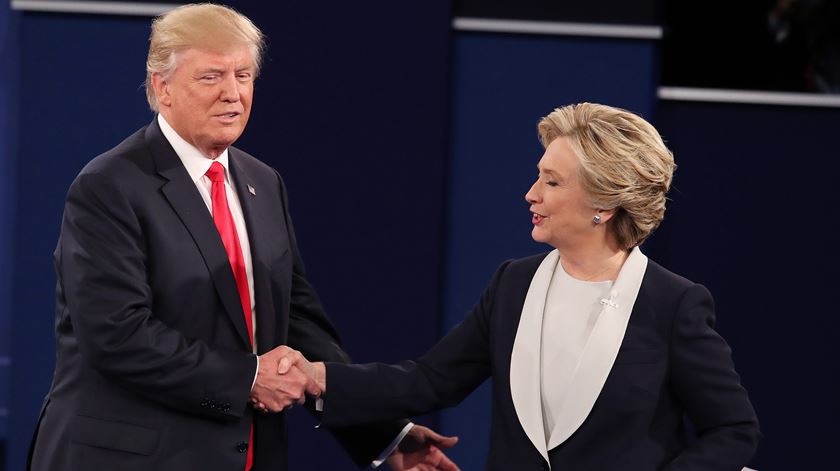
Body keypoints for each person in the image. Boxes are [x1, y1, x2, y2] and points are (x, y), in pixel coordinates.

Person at [26, 4, 457, 471]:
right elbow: (116, 335)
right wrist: (249, 379)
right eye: (211, 77)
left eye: (244, 76)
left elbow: (296, 324)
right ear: (162, 87)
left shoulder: (263, 182)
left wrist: (381, 433)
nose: (233, 94)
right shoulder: (110, 186)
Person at [279, 103, 762, 470]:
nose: (531, 194)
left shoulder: (672, 303)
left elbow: (733, 429)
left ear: (604, 202)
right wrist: (320, 378)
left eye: (552, 182)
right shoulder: (515, 282)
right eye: (538, 177)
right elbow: (429, 380)